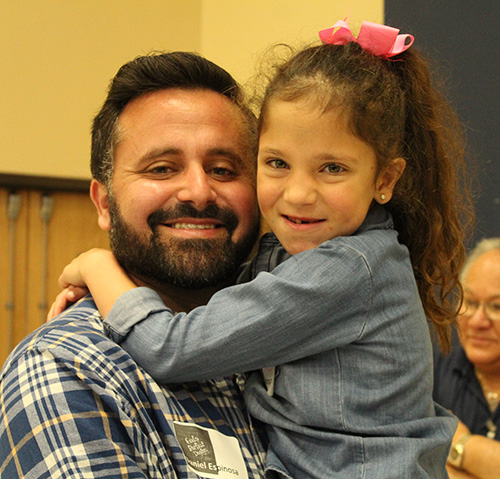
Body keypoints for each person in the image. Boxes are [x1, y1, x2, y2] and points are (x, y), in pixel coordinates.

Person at [53, 19, 474, 479]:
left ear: (385, 179)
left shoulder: (346, 267)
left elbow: (171, 349)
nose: (297, 193)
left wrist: (96, 265)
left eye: (332, 168)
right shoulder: (300, 248)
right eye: (276, 163)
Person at [0, 51, 267, 478]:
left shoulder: (289, 346)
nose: (198, 192)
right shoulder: (69, 366)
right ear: (105, 203)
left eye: (223, 169)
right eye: (162, 168)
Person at [434, 238, 500, 479]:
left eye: (496, 307)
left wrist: (460, 444)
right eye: (470, 303)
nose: (478, 321)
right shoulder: (430, 368)